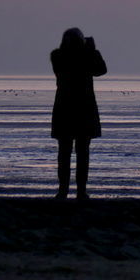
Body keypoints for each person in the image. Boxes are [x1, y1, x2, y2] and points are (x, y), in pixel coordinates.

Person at [50, 27, 107, 201]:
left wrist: (91, 51)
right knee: (78, 153)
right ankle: (75, 191)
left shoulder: (58, 55)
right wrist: (92, 50)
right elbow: (100, 69)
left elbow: (100, 70)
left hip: (67, 108)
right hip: (81, 108)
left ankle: (68, 191)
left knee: (67, 152)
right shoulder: (66, 56)